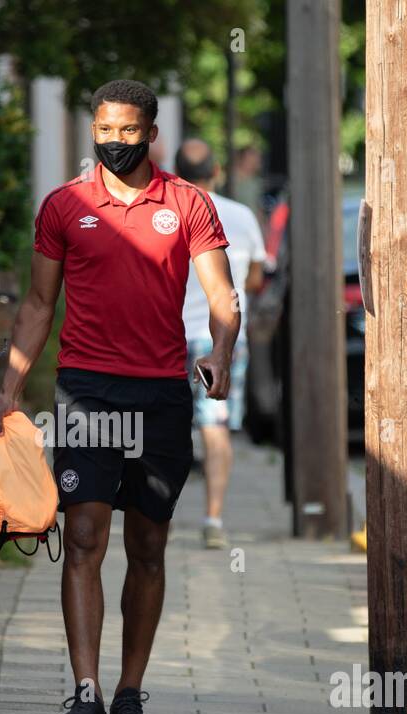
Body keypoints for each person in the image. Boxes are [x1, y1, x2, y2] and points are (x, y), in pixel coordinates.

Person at [0, 80, 239, 714]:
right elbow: (40, 305)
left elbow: (223, 296)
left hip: (159, 393)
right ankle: (85, 695)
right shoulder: (66, 206)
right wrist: (10, 385)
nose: (116, 140)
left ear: (151, 134)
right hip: (88, 391)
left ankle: (130, 694)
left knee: (148, 545)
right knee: (85, 537)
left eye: (129, 130)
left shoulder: (187, 205)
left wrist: (221, 354)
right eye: (106, 128)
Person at [174, 138, 266, 550]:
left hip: (170, 336)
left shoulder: (168, 213)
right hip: (224, 340)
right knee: (215, 429)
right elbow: (255, 279)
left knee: (162, 426)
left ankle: (156, 512)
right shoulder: (241, 216)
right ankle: (213, 517)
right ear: (216, 172)